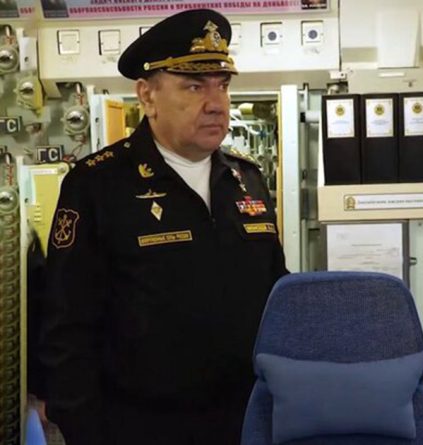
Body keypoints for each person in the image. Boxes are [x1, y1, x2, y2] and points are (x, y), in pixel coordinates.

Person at [38, 9, 289, 445]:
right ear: (147, 96)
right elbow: (66, 326)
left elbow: (276, 296)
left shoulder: (245, 179)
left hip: (245, 421)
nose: (217, 103)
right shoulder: (98, 184)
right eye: (194, 86)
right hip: (139, 425)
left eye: (222, 85)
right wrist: (85, 430)